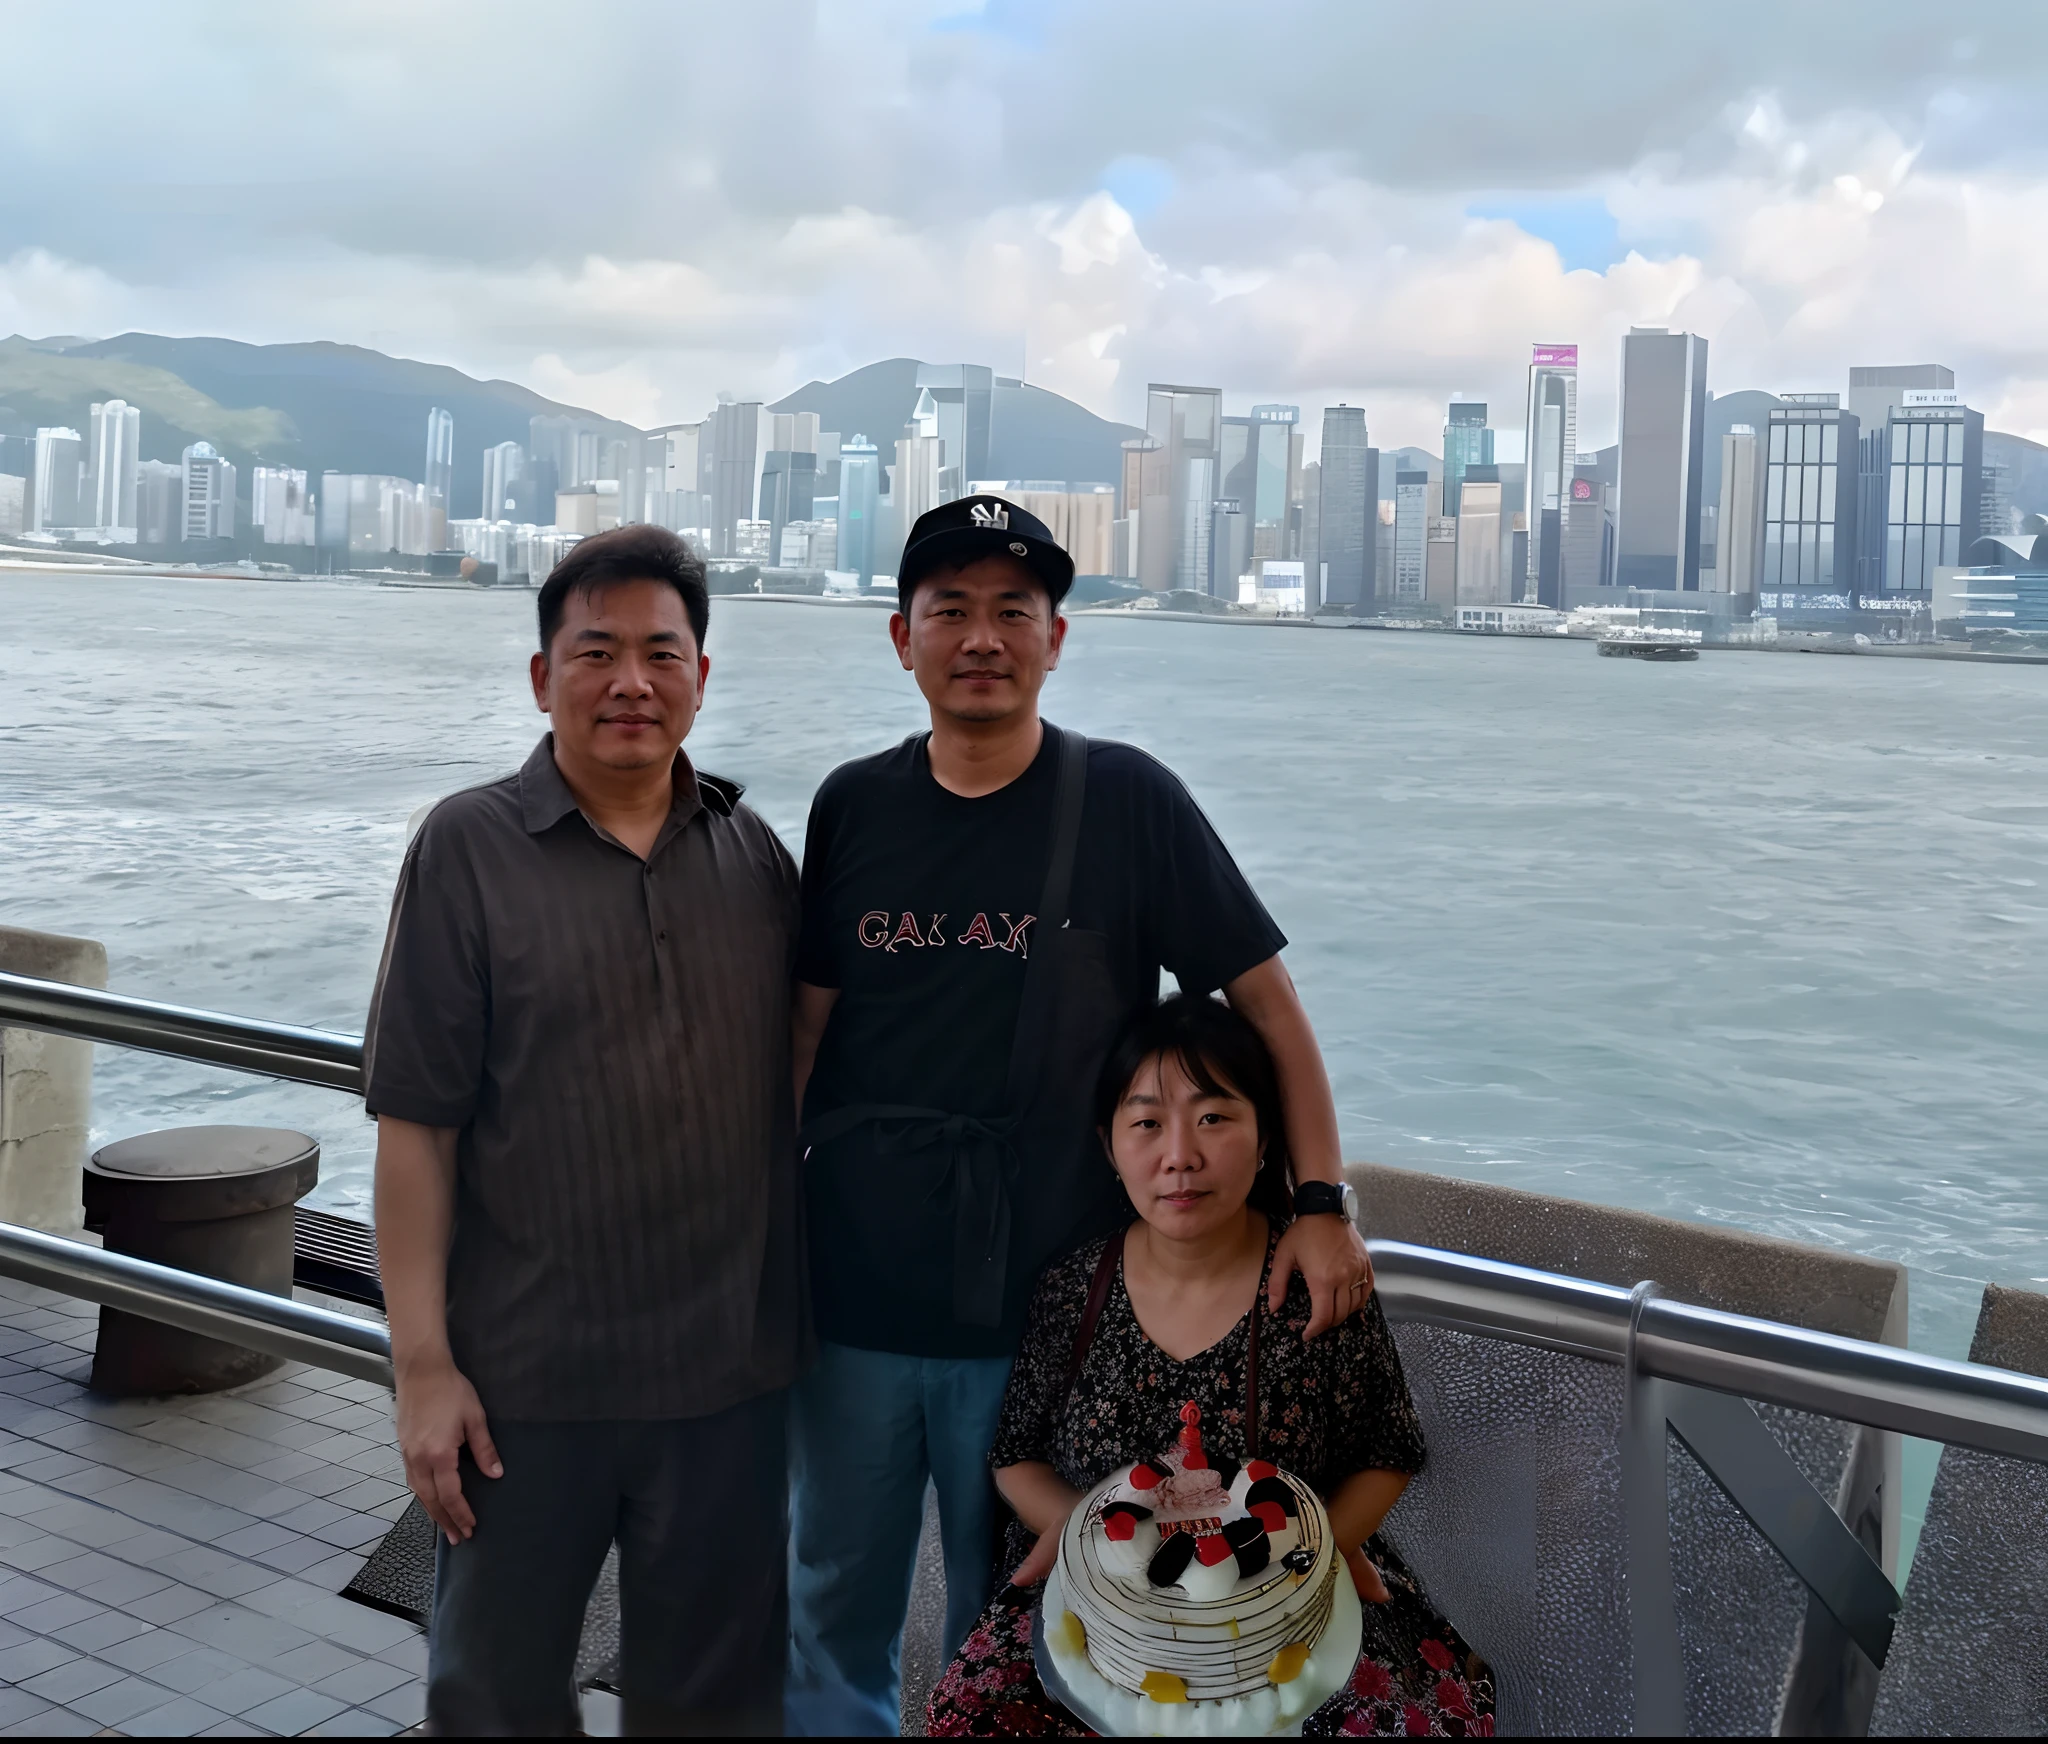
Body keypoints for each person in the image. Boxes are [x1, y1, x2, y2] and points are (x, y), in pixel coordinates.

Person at [786, 494, 1376, 1733]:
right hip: (851, 1289)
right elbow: (803, 1034)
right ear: (901, 638)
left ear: (1058, 639)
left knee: (1017, 1609)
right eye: (950, 610)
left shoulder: (1125, 801)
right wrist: (751, 1231)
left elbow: (1268, 1008)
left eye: (1014, 610)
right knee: (829, 1601)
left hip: (1046, 1309)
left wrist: (1318, 1204)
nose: (982, 636)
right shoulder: (851, 805)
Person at [364, 525, 804, 1736]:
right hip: (522, 1386)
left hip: (726, 1383)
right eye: (594, 650)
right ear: (541, 675)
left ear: (700, 677)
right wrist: (422, 1369)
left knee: (712, 1704)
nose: (630, 681)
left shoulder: (755, 857)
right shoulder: (468, 848)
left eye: (661, 653)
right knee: (496, 1697)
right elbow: (415, 1132)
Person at [925, 993, 1493, 1737]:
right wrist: (1107, 1564)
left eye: (1214, 1117)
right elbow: (1015, 1458)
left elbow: (1388, 1450)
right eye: (1147, 1122)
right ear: (1110, 1144)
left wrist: (1310, 1566)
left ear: (1264, 1139)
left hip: (1292, 1608)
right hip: (1097, 1615)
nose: (1180, 1155)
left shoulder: (1312, 1285)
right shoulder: (1073, 1288)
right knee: (972, 1717)